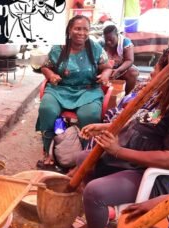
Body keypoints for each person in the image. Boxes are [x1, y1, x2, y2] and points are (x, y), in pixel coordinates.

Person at [76, 45, 169, 228]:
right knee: (83, 159)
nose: (151, 75)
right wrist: (105, 126)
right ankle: (99, 215)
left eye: (155, 70)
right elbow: (140, 124)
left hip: (150, 175)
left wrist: (117, 151)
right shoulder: (159, 94)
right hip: (128, 160)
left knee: (94, 192)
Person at [35, 15, 112, 169]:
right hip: (60, 89)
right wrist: (51, 75)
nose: (81, 33)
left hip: (88, 91)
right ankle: (48, 151)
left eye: (85, 29)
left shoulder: (95, 48)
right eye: (77, 28)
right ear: (69, 30)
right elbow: (45, 66)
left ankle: (84, 154)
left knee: (88, 115)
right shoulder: (59, 48)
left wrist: (104, 75)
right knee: (47, 109)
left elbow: (107, 67)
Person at [101, 25, 139, 94]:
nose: (108, 42)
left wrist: (118, 70)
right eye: (107, 40)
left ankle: (126, 95)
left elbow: (129, 60)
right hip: (105, 70)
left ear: (117, 35)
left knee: (133, 73)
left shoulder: (125, 42)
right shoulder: (101, 43)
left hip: (121, 70)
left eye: (111, 39)